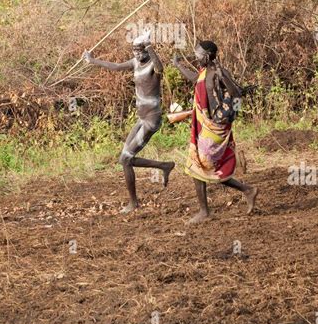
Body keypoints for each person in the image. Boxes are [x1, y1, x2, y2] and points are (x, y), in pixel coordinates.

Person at [83, 30, 175, 214]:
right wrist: (92, 60)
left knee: (126, 159)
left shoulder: (152, 65)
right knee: (124, 158)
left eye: (140, 49)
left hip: (151, 119)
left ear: (147, 50)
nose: (136, 53)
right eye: (134, 49)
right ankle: (164, 165)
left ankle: (134, 203)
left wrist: (149, 45)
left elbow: (160, 68)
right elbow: (116, 66)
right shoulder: (134, 62)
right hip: (141, 118)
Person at [173, 40, 258, 224]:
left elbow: (236, 95)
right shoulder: (204, 73)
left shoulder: (219, 73)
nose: (196, 59)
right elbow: (195, 79)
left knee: (200, 166)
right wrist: (178, 65)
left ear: (207, 56)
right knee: (204, 167)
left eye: (198, 55)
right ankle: (246, 190)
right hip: (207, 125)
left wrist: (223, 76)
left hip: (215, 128)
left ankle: (206, 211)